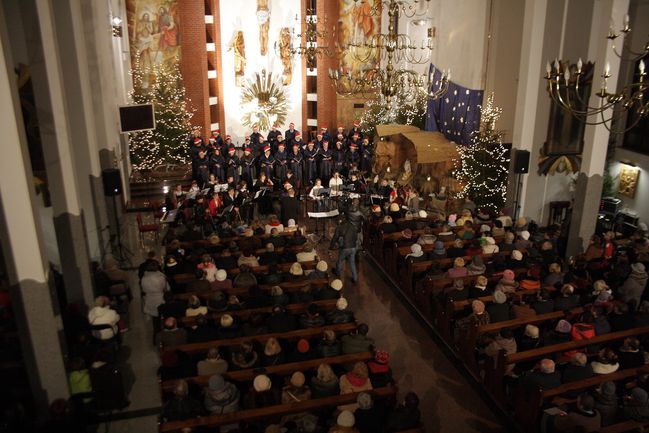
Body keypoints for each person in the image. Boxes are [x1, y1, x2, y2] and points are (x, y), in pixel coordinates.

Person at [141, 261, 170, 337]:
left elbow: (143, 290)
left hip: (150, 299)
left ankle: (156, 336)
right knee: (164, 317)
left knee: (155, 320)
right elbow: (166, 288)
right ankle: (166, 335)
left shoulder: (144, 278)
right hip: (160, 299)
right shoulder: (161, 277)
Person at [330, 217, 360, 283]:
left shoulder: (339, 227)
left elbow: (335, 237)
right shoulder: (353, 226)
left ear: (340, 221)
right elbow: (356, 237)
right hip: (353, 247)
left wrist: (331, 247)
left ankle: (337, 273)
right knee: (352, 263)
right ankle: (355, 278)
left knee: (340, 260)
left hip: (345, 248)